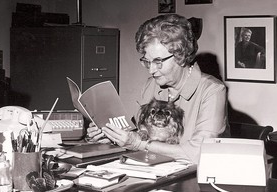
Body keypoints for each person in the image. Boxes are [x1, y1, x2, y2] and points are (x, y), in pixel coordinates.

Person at [86, 14, 229, 164]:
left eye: (158, 61)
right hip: (156, 171)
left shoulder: (212, 90)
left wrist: (139, 144)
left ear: (181, 55)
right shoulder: (152, 85)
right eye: (147, 62)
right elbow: (140, 134)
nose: (151, 70)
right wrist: (113, 135)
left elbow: (199, 153)